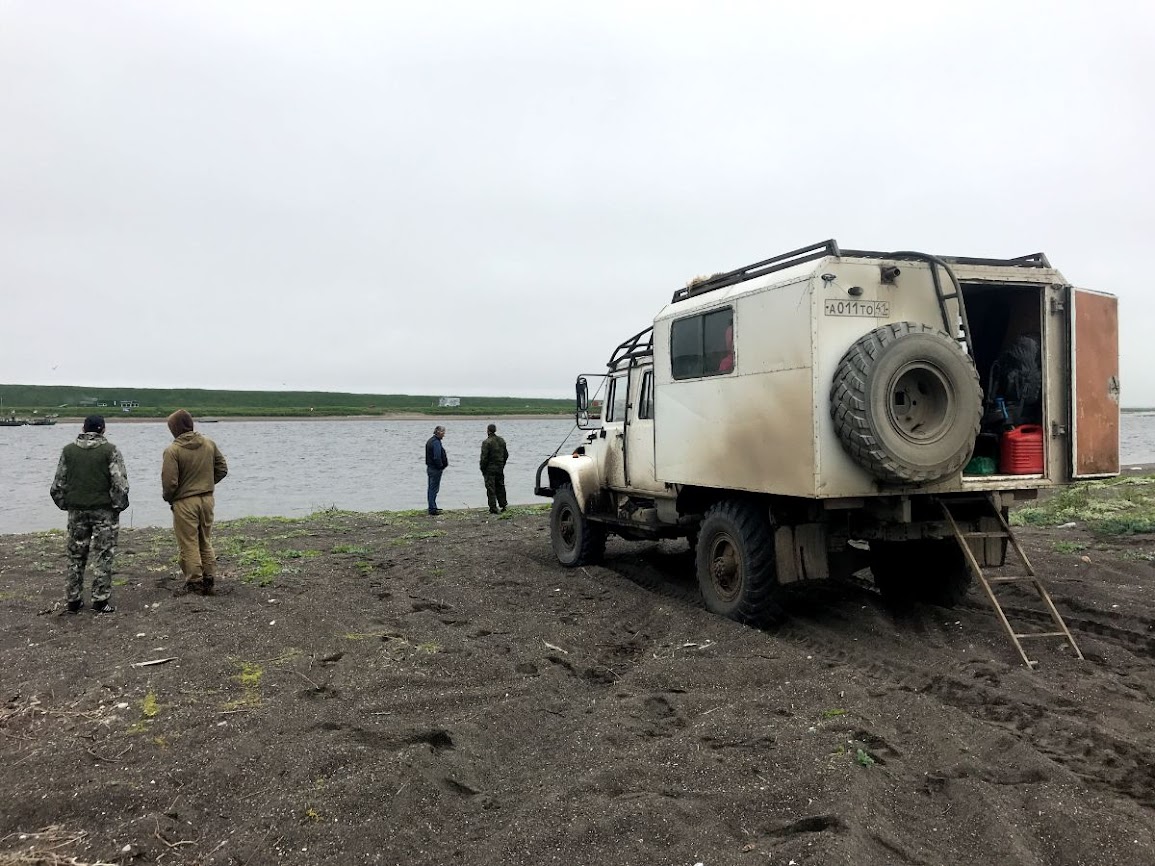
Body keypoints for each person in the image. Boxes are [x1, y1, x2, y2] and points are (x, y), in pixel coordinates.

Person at [49, 415, 130, 613]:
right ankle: (100, 600)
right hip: (104, 512)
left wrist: (66, 505)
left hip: (76, 511)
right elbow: (120, 484)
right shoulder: (110, 451)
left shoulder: (68, 451)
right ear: (103, 429)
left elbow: (57, 485)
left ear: (84, 428)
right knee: (103, 554)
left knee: (75, 556)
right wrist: (118, 506)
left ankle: (73, 600)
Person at [161, 409, 228, 595]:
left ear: (174, 428)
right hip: (207, 499)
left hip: (185, 501)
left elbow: (169, 483)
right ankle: (209, 577)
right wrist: (206, 483)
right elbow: (222, 469)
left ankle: (195, 582)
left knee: (189, 542)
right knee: (204, 540)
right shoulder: (208, 444)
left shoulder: (172, 451)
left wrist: (170, 498)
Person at [479, 423, 509, 514]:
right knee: (500, 486)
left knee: (491, 488)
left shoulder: (486, 442)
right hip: (499, 467)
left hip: (490, 468)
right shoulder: (501, 441)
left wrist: (482, 468)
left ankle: (493, 507)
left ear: (488, 431)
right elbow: (506, 455)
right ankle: (503, 505)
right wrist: (502, 464)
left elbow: (484, 458)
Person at [424, 425, 448, 515]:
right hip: (435, 469)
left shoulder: (431, 441)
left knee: (431, 488)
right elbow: (437, 456)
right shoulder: (436, 442)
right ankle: (432, 508)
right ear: (439, 432)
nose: (444, 435)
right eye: (443, 433)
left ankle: (432, 506)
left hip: (430, 468)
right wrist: (440, 466)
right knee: (434, 488)